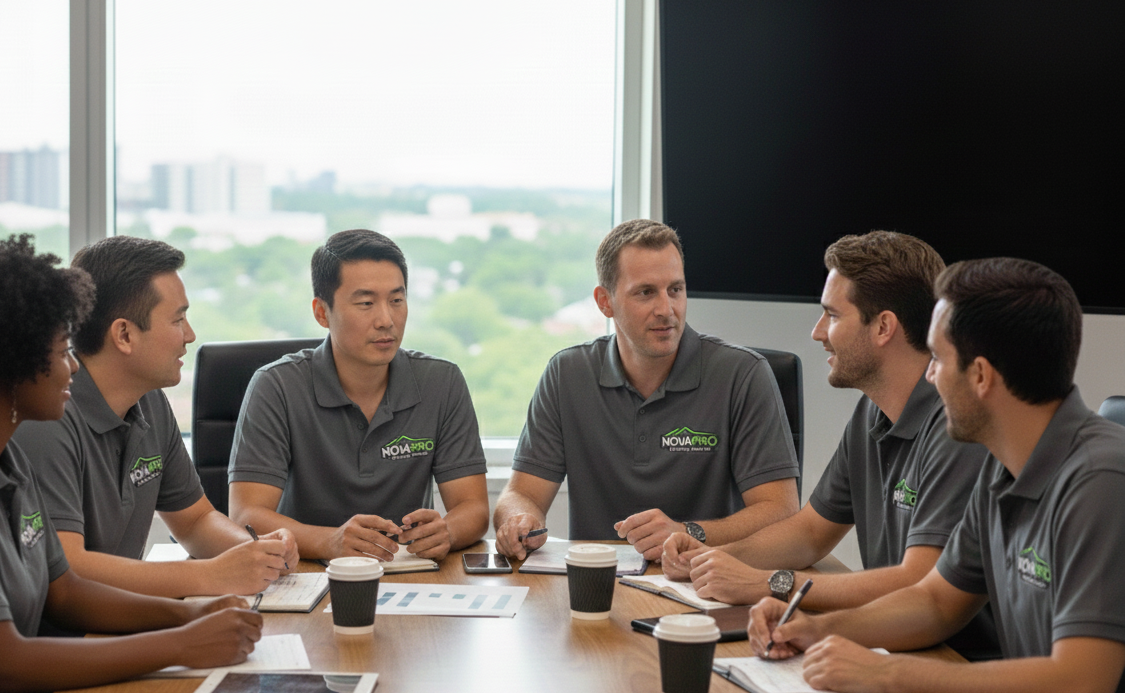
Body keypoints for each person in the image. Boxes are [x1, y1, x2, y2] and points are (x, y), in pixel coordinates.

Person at [0, 234, 260, 692]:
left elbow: (65, 591)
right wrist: (181, 644)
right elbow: (2, 662)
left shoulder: (2, 456)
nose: (73, 368)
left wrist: (190, 612)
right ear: (10, 367)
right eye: (62, 352)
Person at [751, 258, 1125, 693]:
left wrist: (887, 673)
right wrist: (816, 629)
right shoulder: (1001, 468)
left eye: (938, 359)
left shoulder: (1101, 481)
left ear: (981, 375)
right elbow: (936, 602)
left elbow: (1081, 680)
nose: (928, 375)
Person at [661, 231, 996, 655]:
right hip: (892, 646)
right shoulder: (872, 412)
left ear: (883, 327)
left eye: (832, 315)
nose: (819, 332)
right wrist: (713, 558)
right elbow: (810, 532)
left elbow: (919, 580)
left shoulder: (956, 428)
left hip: (956, 663)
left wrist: (770, 583)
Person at [494, 219, 800, 561]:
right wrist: (519, 521)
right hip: (598, 582)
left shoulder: (743, 375)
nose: (666, 310)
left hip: (706, 580)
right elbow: (522, 493)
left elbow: (781, 512)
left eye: (675, 290)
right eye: (646, 292)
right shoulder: (567, 374)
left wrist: (688, 533)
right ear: (604, 302)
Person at [16, 236, 296, 599]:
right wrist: (207, 576)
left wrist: (255, 552)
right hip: (66, 640)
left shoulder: (150, 402)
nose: (190, 335)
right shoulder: (48, 416)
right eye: (178, 319)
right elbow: (68, 566)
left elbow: (195, 521)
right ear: (124, 335)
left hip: (118, 622)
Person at [229, 229, 489, 561]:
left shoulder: (442, 381)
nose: (386, 320)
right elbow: (246, 516)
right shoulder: (276, 386)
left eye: (397, 300)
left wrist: (447, 531)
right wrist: (330, 542)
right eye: (366, 303)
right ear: (322, 312)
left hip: (411, 574)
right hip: (306, 574)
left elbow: (473, 508)